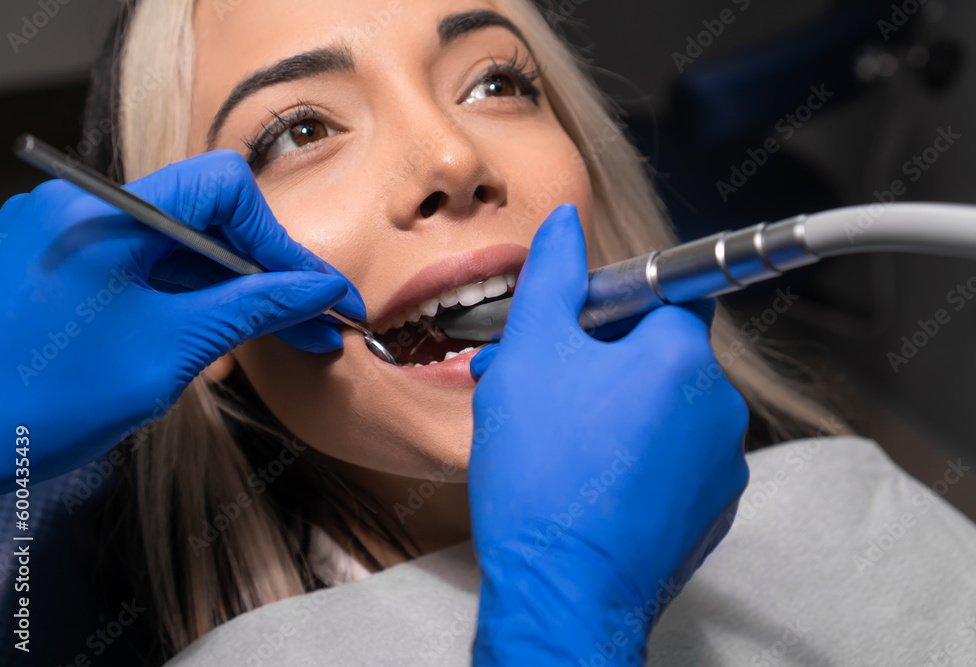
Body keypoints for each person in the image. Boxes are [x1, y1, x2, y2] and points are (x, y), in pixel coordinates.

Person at [1, 0, 840, 663]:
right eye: (301, 130)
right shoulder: (49, 616)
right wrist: (570, 621)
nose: (451, 158)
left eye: (494, 83)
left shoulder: (842, 506)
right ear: (184, 287)